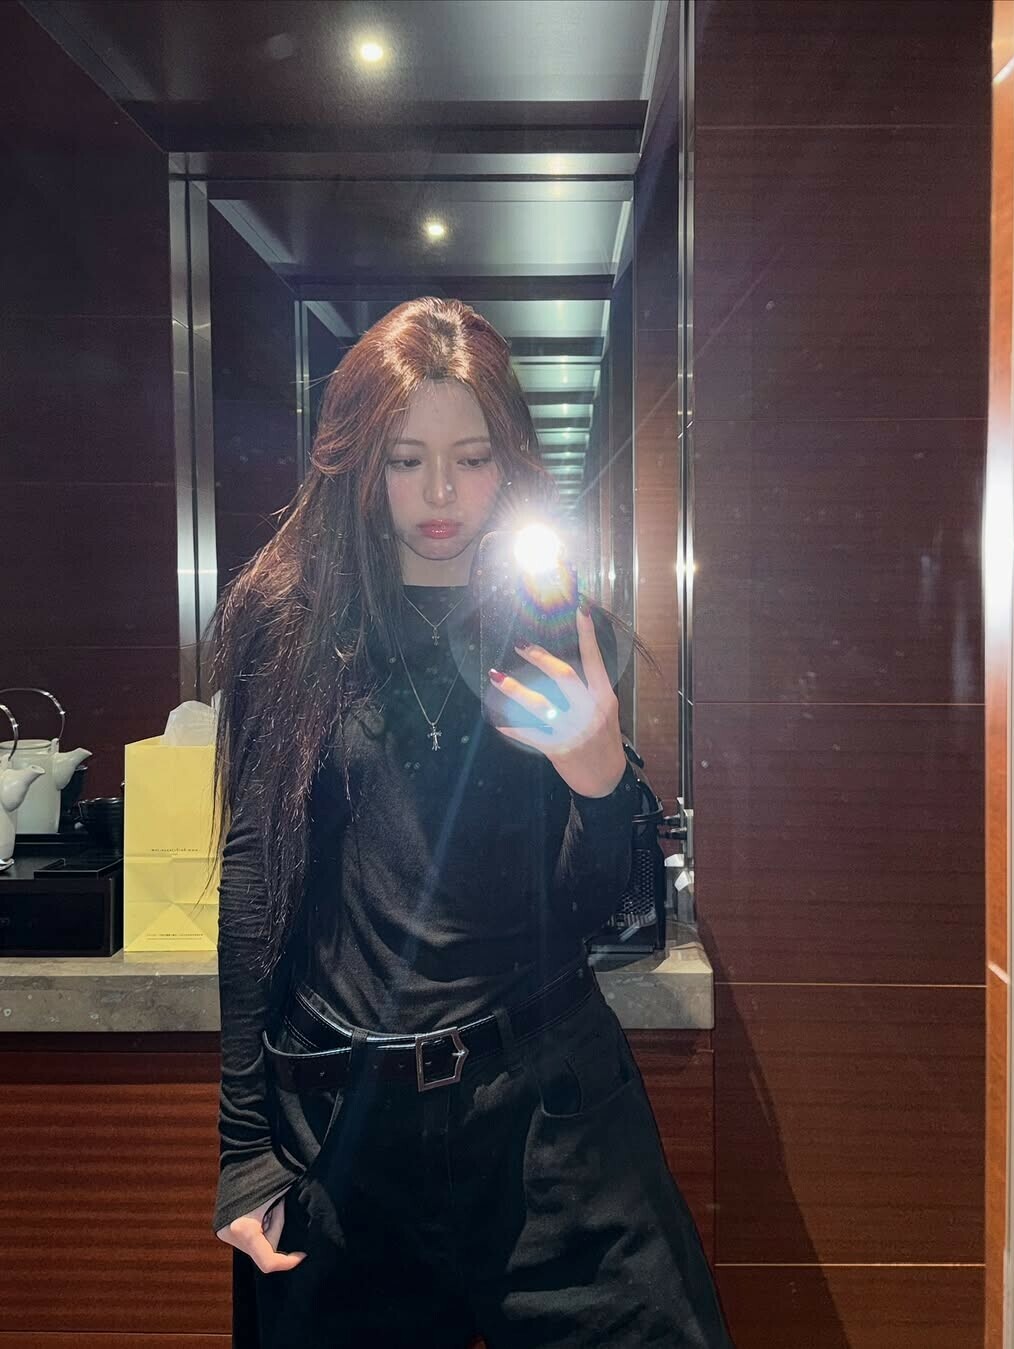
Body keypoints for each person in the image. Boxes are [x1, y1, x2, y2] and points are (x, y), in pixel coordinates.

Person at [207, 297, 735, 1347]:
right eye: (406, 460)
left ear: (511, 462)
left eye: (472, 458)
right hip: (345, 1137)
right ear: (358, 463)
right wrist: (244, 1145)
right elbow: (255, 880)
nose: (440, 493)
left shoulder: (554, 625)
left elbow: (605, 911)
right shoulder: (290, 624)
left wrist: (599, 777)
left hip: (547, 1114)